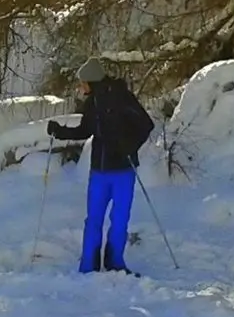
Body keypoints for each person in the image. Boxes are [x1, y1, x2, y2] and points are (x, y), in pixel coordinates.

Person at [46, 58, 155, 274]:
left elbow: (146, 124)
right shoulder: (92, 102)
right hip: (99, 171)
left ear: (92, 81)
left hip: (124, 170)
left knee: (119, 219)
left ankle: (115, 263)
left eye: (83, 82)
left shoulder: (123, 98)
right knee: (93, 219)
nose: (80, 87)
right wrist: (60, 132)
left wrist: (130, 145)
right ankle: (88, 266)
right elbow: (85, 130)